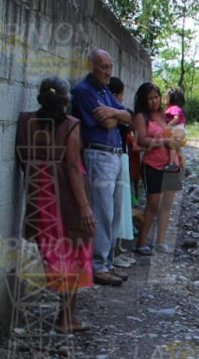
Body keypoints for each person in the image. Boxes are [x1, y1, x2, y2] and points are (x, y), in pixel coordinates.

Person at [15, 77, 96, 333]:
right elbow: (72, 166)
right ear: (65, 102)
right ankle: (66, 319)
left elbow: (22, 158)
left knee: (57, 256)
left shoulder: (25, 122)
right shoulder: (71, 126)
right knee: (75, 254)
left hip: (40, 198)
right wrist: (84, 207)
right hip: (67, 198)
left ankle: (65, 317)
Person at [71, 49, 131, 286]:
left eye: (110, 67)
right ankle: (98, 265)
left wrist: (114, 112)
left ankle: (108, 263)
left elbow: (127, 116)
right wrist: (117, 116)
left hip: (115, 155)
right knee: (103, 211)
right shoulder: (84, 92)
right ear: (92, 66)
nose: (108, 71)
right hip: (99, 154)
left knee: (115, 211)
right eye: (103, 67)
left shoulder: (105, 91)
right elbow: (107, 124)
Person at [132, 82, 183, 256]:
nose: (154, 101)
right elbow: (140, 141)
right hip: (153, 164)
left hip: (171, 164)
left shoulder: (164, 115)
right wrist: (164, 142)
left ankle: (160, 241)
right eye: (150, 99)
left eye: (156, 97)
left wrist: (178, 151)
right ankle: (141, 242)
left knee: (167, 205)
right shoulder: (141, 117)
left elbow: (173, 135)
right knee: (153, 204)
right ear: (143, 100)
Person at [107, 76, 136, 269]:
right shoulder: (113, 114)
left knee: (120, 210)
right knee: (115, 210)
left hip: (121, 158)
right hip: (117, 160)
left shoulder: (117, 113)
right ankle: (113, 254)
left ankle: (116, 251)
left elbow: (129, 117)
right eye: (121, 95)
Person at [163, 87, 187, 173]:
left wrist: (169, 125)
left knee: (172, 146)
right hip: (179, 130)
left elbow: (176, 118)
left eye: (166, 96)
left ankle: (172, 163)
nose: (164, 98)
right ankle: (183, 167)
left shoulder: (174, 108)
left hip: (177, 130)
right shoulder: (172, 108)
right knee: (178, 149)